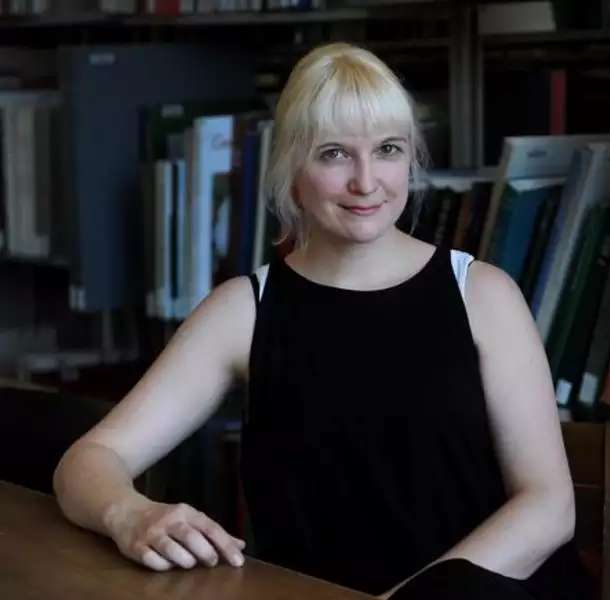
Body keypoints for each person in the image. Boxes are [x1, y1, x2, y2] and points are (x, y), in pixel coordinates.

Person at [53, 42, 578, 599]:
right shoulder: (243, 311)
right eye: (334, 154)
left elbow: (549, 506)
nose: (366, 181)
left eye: (389, 149)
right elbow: (86, 462)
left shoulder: (484, 295)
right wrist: (130, 514)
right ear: (291, 168)